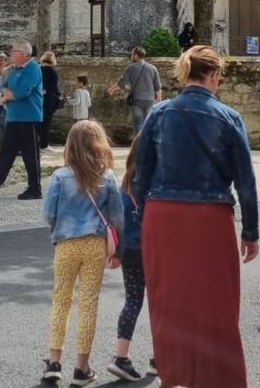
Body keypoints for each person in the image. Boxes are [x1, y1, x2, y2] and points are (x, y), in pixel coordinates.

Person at [131, 45, 259, 388]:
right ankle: (220, 379)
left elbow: (140, 176)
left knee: (168, 302)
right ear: (215, 75)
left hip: (162, 216)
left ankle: (172, 376)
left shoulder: (158, 114)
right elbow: (245, 180)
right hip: (209, 216)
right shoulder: (229, 117)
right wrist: (250, 231)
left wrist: (143, 216)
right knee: (216, 302)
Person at [39, 119, 123, 386]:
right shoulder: (107, 177)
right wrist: (117, 249)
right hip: (95, 244)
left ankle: (54, 362)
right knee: (88, 304)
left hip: (66, 243)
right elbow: (117, 217)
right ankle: (81, 367)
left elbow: (47, 214)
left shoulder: (60, 176)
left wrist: (59, 228)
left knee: (61, 300)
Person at [0, 42, 45, 200]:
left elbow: (24, 91)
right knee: (6, 152)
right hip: (13, 117)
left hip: (29, 117)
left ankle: (35, 188)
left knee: (30, 155)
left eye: (14, 51)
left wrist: (6, 96)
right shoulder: (13, 70)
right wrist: (7, 93)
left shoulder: (33, 68)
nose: (11, 54)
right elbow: (4, 85)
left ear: (23, 54)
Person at [107, 142, 152, 382]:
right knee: (159, 305)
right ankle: (159, 358)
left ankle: (121, 356)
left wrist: (116, 252)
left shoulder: (123, 185)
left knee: (133, 301)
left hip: (130, 250)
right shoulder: (156, 183)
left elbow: (116, 219)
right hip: (154, 251)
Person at [106, 47, 163, 136]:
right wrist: (159, 100)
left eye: (132, 54)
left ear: (136, 56)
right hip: (149, 100)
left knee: (138, 123)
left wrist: (115, 89)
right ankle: (147, 144)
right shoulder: (153, 68)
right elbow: (157, 86)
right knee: (147, 122)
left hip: (137, 100)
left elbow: (122, 83)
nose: (131, 56)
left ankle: (139, 144)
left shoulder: (130, 68)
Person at [39, 51, 62, 152]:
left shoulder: (38, 69)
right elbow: (53, 86)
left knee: (38, 122)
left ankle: (37, 143)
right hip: (48, 100)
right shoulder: (53, 71)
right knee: (46, 123)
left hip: (37, 99)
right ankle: (43, 144)